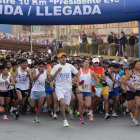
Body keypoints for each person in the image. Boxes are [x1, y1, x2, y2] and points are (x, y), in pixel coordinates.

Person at [50, 52, 79, 127]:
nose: (63, 58)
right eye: (61, 57)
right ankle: (65, 121)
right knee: (62, 103)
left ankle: (62, 108)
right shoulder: (56, 67)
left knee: (65, 107)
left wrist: (76, 81)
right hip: (59, 88)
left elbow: (77, 73)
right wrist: (57, 72)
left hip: (68, 88)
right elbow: (50, 78)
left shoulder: (70, 66)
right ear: (59, 59)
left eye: (64, 57)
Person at [77, 59, 99, 124]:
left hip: (88, 90)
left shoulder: (91, 72)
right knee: (81, 105)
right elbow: (76, 81)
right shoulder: (79, 71)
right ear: (82, 64)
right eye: (85, 62)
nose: (87, 64)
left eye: (88, 63)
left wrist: (93, 85)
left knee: (88, 104)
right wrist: (78, 86)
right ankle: (81, 118)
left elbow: (97, 80)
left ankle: (84, 111)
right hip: (80, 89)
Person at [124, 60, 140, 126]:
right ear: (134, 65)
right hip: (130, 91)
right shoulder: (130, 72)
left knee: (138, 104)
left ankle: (135, 118)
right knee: (130, 108)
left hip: (138, 91)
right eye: (138, 64)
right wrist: (130, 86)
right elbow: (124, 81)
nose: (139, 66)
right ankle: (134, 117)